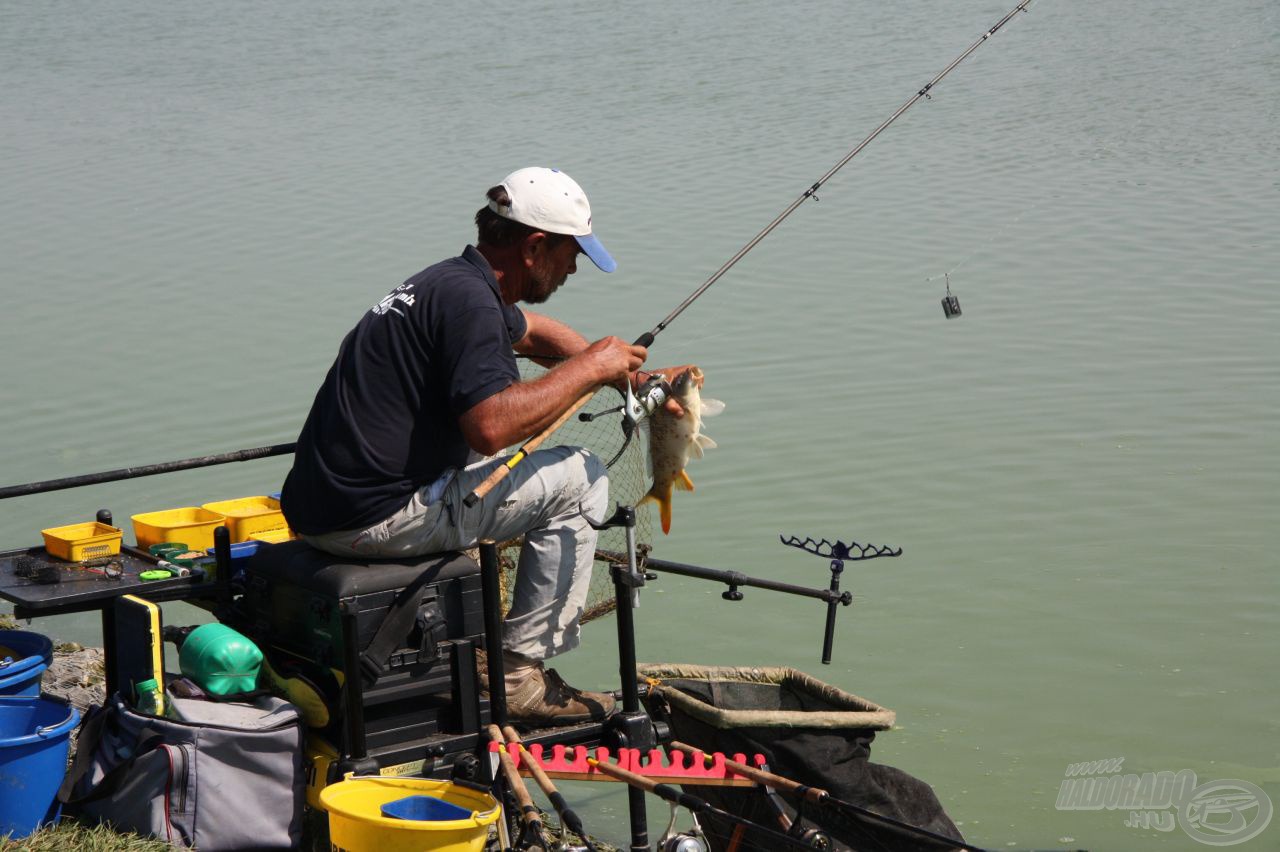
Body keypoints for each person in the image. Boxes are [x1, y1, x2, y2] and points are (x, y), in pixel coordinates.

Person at [280, 166, 681, 726]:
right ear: (535, 246)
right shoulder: (470, 306)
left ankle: (491, 639)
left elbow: (533, 332)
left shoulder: (450, 283)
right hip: (374, 520)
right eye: (572, 254)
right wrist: (592, 366)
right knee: (582, 477)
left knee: (506, 457)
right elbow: (490, 426)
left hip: (320, 507)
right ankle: (519, 675)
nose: (573, 268)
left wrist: (620, 375)